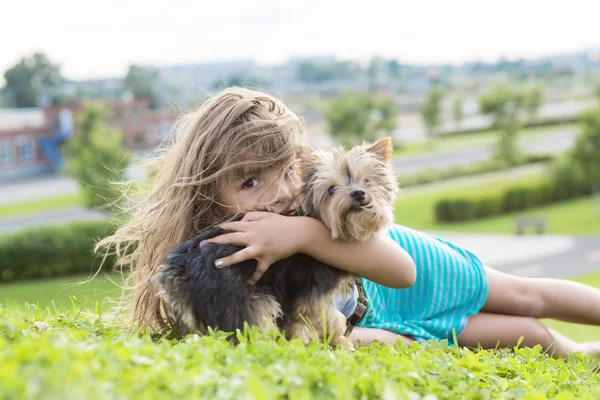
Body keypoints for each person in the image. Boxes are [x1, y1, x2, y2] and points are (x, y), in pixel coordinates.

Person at [97, 87, 600, 358]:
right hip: (380, 315)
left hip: (404, 265)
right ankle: (582, 353)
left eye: (288, 171)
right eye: (250, 182)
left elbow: (400, 270)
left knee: (528, 296)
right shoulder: (216, 257)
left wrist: (302, 231)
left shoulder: (299, 216)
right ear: (209, 199)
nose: (282, 193)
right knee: (522, 336)